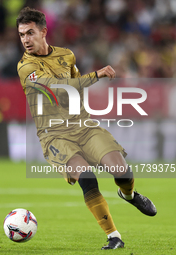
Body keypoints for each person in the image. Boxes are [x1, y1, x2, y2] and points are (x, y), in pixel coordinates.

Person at [16, 7, 157, 250]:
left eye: (30, 33)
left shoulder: (66, 56)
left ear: (43, 31)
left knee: (122, 172)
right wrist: (97, 75)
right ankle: (113, 236)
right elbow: (58, 88)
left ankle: (129, 195)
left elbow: (75, 85)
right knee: (88, 179)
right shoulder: (25, 68)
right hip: (54, 136)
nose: (26, 40)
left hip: (83, 126)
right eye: (21, 35)